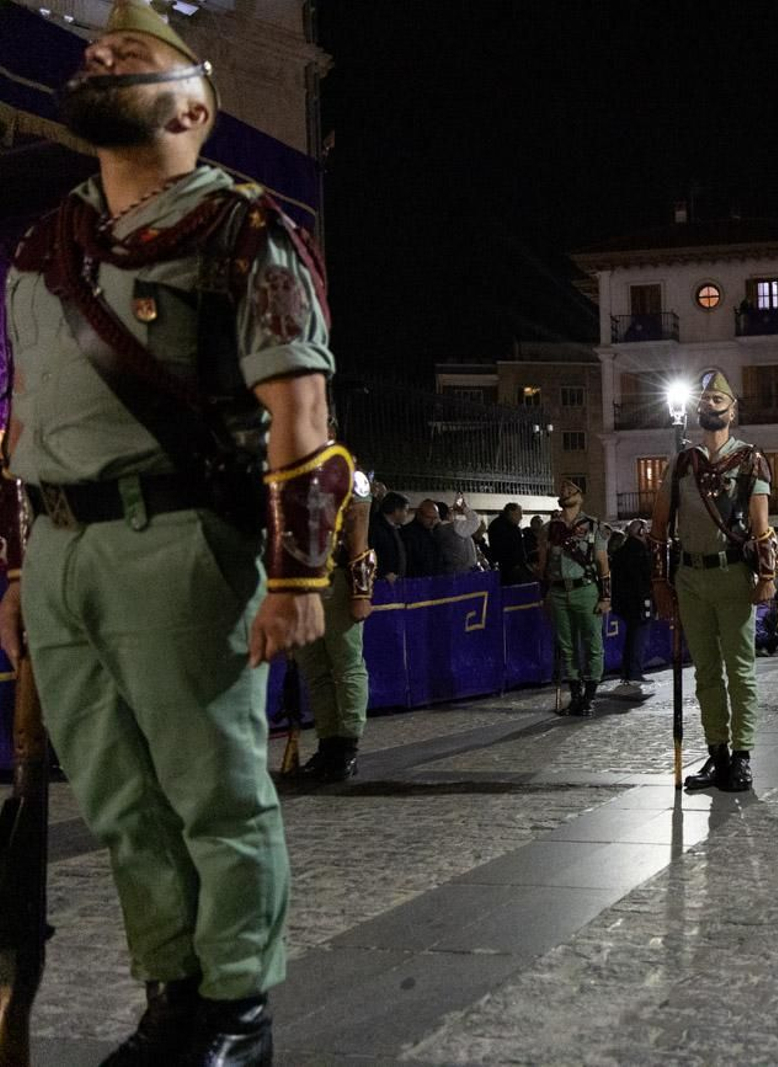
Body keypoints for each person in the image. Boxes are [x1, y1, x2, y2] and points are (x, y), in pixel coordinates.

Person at [1, 4, 347, 1060]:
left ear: (196, 105)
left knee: (213, 791)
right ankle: (174, 992)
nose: (102, 53)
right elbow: (22, 420)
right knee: (119, 798)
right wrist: (20, 568)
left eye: (136, 54)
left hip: (180, 541)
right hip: (60, 553)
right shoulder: (43, 245)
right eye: (97, 50)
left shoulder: (243, 228)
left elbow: (301, 416)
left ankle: (237, 1010)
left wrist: (296, 579)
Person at [650, 368, 777, 792]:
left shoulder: (751, 460)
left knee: (740, 671)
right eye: (704, 402)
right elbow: (659, 526)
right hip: (689, 576)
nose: (709, 407)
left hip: (732, 574)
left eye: (717, 402)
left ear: (732, 411)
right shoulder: (683, 463)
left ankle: (742, 755)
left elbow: (760, 523)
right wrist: (659, 583)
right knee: (704, 671)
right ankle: (716, 753)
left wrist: (767, 574)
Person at [287, 447, 376, 783]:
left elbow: (358, 534)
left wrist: (360, 591)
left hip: (336, 578)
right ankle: (328, 742)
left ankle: (348, 745)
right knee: (315, 668)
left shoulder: (349, 474)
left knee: (346, 664)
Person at [537, 479, 611, 715]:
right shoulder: (550, 529)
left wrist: (606, 597)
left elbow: (602, 564)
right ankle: (575, 696)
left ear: (581, 497)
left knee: (592, 644)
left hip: (585, 589)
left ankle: (589, 696)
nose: (566, 492)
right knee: (566, 647)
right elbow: (544, 564)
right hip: (559, 591)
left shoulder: (594, 526)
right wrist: (544, 594)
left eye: (571, 490)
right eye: (563, 491)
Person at [608, 518, 653, 699]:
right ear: (641, 532)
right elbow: (645, 577)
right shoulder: (640, 552)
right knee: (639, 636)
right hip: (640, 601)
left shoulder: (620, 552)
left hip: (624, 603)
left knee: (631, 636)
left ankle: (628, 672)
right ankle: (634, 672)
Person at [434, 496, 483, 575]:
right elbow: (475, 522)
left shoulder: (437, 530)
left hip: (449, 571)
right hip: (465, 572)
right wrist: (464, 508)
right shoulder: (455, 527)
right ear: (447, 514)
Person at [487, 501, 533, 585]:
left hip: (512, 568)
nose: (521, 517)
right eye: (519, 514)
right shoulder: (501, 527)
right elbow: (507, 549)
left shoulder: (506, 526)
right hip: (509, 569)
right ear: (511, 513)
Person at [400, 498, 443, 578]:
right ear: (419, 515)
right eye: (429, 518)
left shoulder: (435, 531)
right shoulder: (408, 533)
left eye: (435, 518)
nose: (432, 522)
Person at [371, 492, 409, 580]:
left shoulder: (396, 529)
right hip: (381, 583)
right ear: (396, 511)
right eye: (405, 510)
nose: (406, 514)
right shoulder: (375, 528)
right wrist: (383, 573)